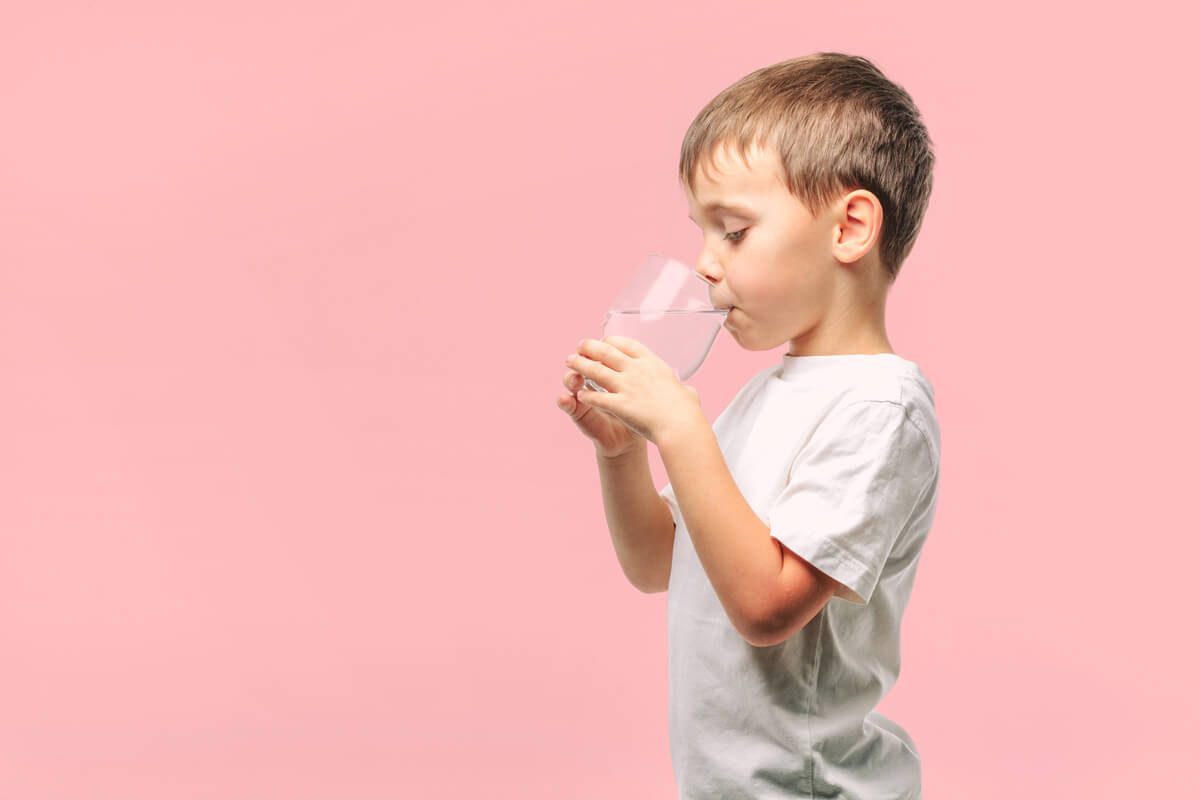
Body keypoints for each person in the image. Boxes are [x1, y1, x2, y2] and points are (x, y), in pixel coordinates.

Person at [555, 52, 939, 800]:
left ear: (851, 227)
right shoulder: (767, 396)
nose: (704, 265)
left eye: (732, 232)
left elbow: (766, 607)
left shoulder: (880, 408)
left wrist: (681, 427)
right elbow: (660, 565)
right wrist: (625, 451)